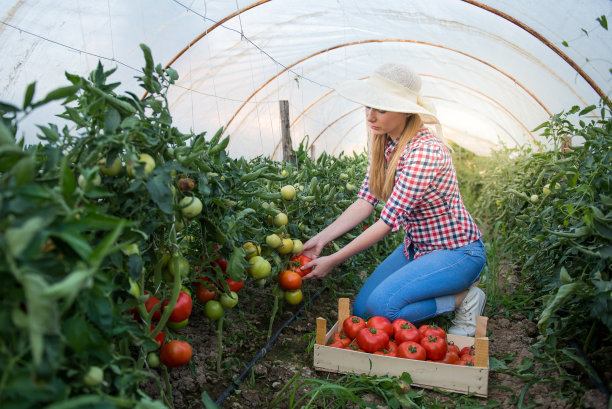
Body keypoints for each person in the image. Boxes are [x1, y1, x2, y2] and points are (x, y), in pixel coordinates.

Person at [299, 62, 487, 337]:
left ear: (405, 111)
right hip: (418, 248)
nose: (370, 116)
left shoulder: (424, 151)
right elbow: (366, 201)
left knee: (382, 310)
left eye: (381, 109)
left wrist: (334, 259)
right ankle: (431, 295)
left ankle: (464, 298)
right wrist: (322, 239)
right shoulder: (386, 144)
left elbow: (387, 221)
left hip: (457, 254)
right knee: (363, 312)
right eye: (368, 107)